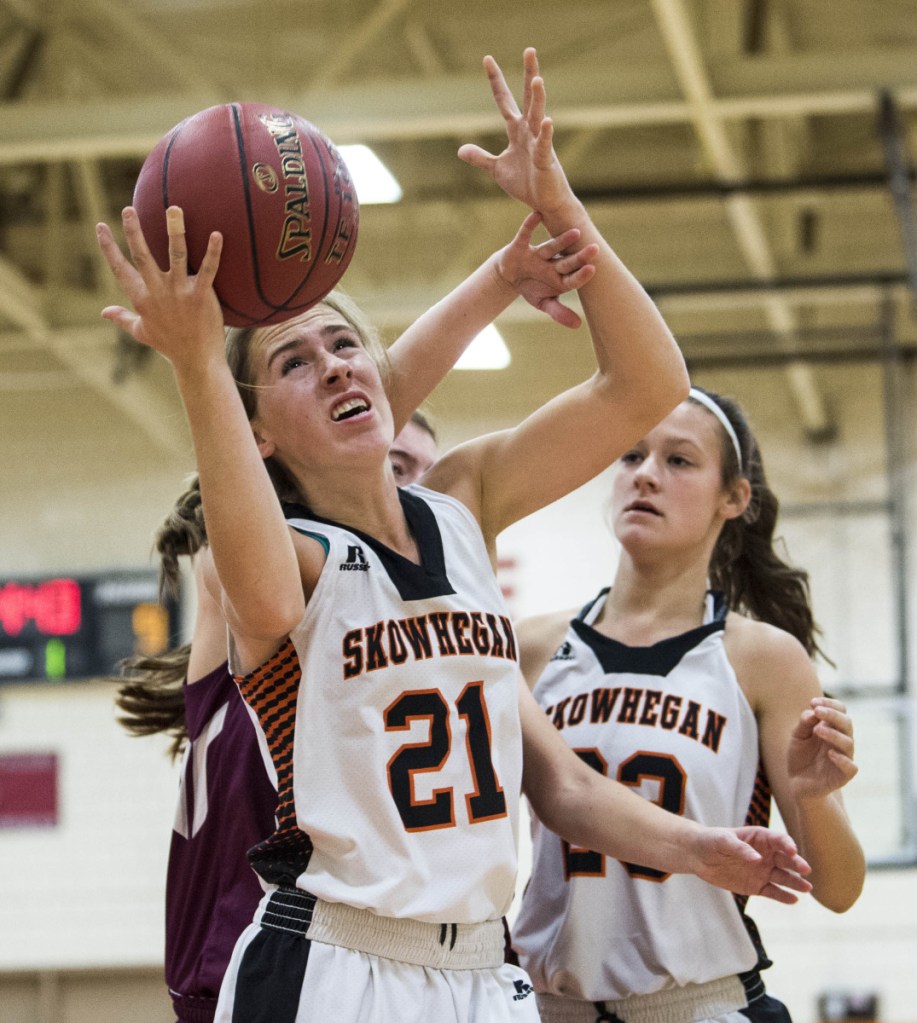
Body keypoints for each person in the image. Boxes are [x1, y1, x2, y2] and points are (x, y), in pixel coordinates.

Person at [96, 48, 811, 1023]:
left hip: (484, 971)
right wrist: (194, 364)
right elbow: (263, 562)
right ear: (257, 427)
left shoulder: (460, 503)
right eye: (296, 362)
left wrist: (557, 212)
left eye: (347, 344)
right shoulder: (284, 564)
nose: (337, 366)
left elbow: (646, 389)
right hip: (336, 964)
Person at [115, 215, 591, 1023]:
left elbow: (361, 397)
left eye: (412, 470)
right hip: (271, 942)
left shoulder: (398, 563)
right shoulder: (254, 565)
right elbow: (327, 414)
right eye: (300, 361)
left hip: (427, 953)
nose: (401, 484)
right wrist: (200, 359)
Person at [510, 386, 866, 1023]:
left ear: (734, 498)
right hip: (544, 1006)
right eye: (631, 455)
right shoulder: (529, 645)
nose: (646, 474)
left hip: (694, 1005)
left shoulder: (764, 659)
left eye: (678, 460)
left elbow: (840, 891)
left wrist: (813, 796)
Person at [114, 415, 440, 1023]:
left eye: (425, 479)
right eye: (395, 468)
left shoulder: (420, 676)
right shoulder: (237, 589)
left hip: (377, 978)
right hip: (254, 976)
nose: (408, 495)